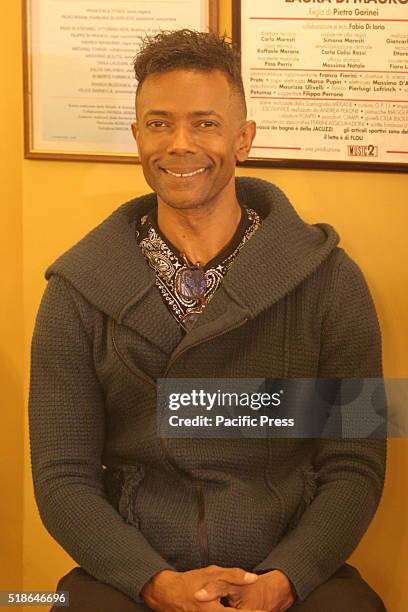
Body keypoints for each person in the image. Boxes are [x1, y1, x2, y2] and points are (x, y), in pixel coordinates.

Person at [28, 29, 387, 612]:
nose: (180, 144)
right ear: (137, 137)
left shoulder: (329, 280)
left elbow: (357, 462)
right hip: (135, 574)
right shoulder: (76, 290)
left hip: (288, 568)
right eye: (159, 123)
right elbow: (61, 478)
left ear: (243, 139)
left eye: (205, 123)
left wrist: (285, 579)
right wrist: (154, 581)